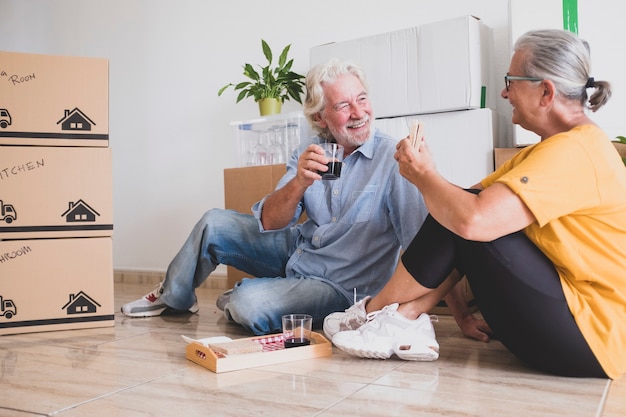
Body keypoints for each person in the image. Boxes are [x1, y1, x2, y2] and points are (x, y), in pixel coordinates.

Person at [329, 29, 626, 379]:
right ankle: (398, 318)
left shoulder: (577, 152)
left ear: (546, 91)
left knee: (470, 213)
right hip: (572, 331)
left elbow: (472, 220)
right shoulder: (547, 151)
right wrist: (427, 174)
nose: (504, 92)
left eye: (511, 80)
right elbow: (454, 213)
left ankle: (373, 313)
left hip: (594, 338)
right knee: (461, 208)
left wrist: (425, 176)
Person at [121, 58, 488, 341]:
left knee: (251, 304)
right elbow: (271, 221)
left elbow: (424, 249)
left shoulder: (394, 160)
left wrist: (462, 316)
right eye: (344, 105)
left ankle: (243, 296)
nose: (359, 113)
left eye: (362, 100)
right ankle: (175, 297)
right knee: (214, 222)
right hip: (300, 249)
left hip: (339, 285)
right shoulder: (309, 151)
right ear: (320, 116)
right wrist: (299, 181)